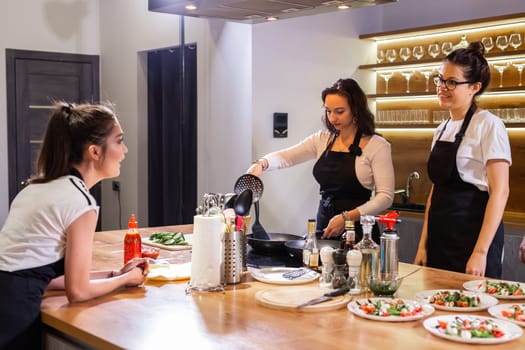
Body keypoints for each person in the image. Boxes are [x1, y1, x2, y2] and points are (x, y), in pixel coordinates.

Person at [0, 102, 149, 349]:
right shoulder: (81, 202)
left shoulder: (36, 188)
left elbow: (38, 274)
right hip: (14, 314)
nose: (125, 150)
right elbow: (77, 291)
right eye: (119, 141)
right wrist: (125, 280)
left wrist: (114, 274)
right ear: (94, 151)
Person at [247, 78, 394, 243]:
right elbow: (287, 157)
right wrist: (261, 164)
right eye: (328, 111)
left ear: (356, 109)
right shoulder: (322, 139)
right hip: (325, 223)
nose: (332, 118)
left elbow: (385, 197)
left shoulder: (378, 145)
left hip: (359, 230)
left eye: (339, 111)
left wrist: (347, 217)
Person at [413, 42, 511, 278]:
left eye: (452, 82)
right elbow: (435, 191)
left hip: (472, 238)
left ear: (474, 87)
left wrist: (480, 252)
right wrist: (422, 245)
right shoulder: (442, 128)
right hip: (440, 237)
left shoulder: (489, 125)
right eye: (440, 79)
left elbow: (501, 192)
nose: (442, 87)